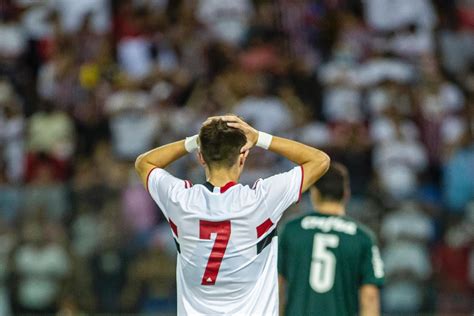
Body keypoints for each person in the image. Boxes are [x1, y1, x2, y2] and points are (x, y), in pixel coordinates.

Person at [134, 115, 330, 315]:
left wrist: (194, 141)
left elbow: (144, 163)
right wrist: (259, 137)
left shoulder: (180, 200)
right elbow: (320, 160)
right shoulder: (260, 200)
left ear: (201, 157)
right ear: (243, 156)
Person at [278, 163, 384, 316]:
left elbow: (277, 286)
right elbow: (370, 297)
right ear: (346, 193)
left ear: (314, 192)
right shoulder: (362, 237)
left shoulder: (291, 229)